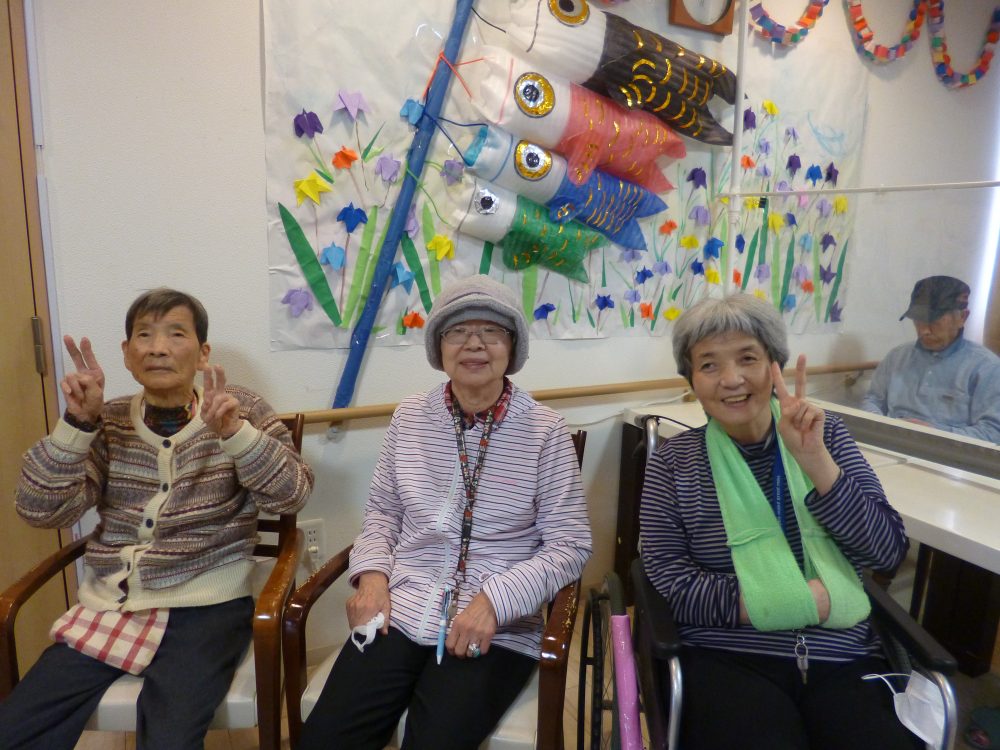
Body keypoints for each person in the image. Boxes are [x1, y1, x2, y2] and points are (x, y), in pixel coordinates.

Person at [0, 288, 314, 749]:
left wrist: (236, 435)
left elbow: (292, 494)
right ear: (127, 354)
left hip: (207, 609)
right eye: (144, 335)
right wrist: (77, 425)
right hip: (110, 606)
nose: (158, 348)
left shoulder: (240, 408)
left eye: (176, 334)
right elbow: (40, 509)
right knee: (13, 730)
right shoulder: (107, 420)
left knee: (169, 739)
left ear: (203, 353)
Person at [298, 274, 591, 750]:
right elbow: (382, 515)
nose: (474, 344)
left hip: (498, 625)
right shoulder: (410, 417)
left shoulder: (545, 431)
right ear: (439, 345)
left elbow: (570, 545)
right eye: (458, 331)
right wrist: (372, 579)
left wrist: (494, 601)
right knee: (325, 739)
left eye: (491, 331)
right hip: (401, 606)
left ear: (513, 346)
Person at [640, 293, 922, 749]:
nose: (731, 379)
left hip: (843, 654)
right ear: (691, 379)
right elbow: (672, 585)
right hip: (727, 654)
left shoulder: (826, 436)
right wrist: (797, 602)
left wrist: (815, 462)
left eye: (747, 358)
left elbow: (886, 552)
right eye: (709, 365)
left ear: (775, 366)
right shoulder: (673, 463)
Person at [862, 275, 1000, 443]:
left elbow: (993, 433)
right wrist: (880, 424)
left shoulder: (987, 368)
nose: (924, 331)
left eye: (934, 322)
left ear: (962, 317)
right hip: (889, 443)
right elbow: (873, 400)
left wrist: (933, 433)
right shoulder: (897, 357)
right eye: (918, 321)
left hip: (947, 453)